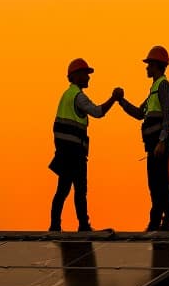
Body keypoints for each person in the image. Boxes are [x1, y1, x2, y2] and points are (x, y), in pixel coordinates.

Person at [50, 58, 123, 232]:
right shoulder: (78, 96)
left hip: (65, 152)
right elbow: (98, 112)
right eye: (85, 74)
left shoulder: (67, 95)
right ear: (75, 76)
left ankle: (56, 226)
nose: (88, 78)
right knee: (79, 190)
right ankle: (82, 225)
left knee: (63, 189)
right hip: (73, 153)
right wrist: (113, 98)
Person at [117, 45, 169, 232]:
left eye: (149, 64)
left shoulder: (163, 86)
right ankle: (157, 220)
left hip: (160, 143)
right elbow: (139, 113)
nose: (146, 68)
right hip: (152, 145)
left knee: (161, 181)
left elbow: (168, 116)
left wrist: (162, 141)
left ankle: (165, 222)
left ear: (157, 66)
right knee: (154, 182)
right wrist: (121, 101)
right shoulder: (153, 90)